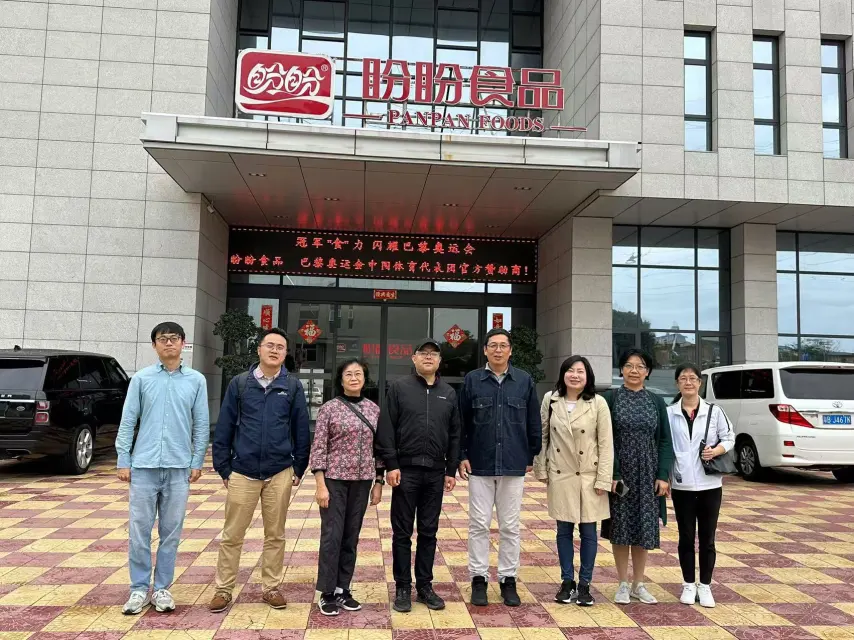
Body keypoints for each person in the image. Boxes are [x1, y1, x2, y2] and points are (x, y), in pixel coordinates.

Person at [210, 328, 310, 613]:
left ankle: (271, 587)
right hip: (242, 471)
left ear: (286, 353)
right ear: (259, 349)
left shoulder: (292, 386)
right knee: (232, 534)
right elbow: (224, 426)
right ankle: (223, 589)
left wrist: (298, 467)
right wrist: (224, 468)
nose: (275, 350)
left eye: (280, 347)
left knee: (275, 534)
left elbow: (301, 429)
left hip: (279, 471)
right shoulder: (240, 383)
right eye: (270, 345)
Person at [115, 322, 209, 615]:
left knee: (171, 532)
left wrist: (197, 460)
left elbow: (201, 423)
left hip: (179, 467)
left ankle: (162, 588)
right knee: (139, 531)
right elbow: (128, 420)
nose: (168, 343)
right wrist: (123, 458)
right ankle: (138, 589)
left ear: (183, 343)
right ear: (154, 345)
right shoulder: (141, 379)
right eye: (162, 339)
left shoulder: (196, 380)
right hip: (144, 467)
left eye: (174, 338)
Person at [375, 339, 462, 613]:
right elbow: (386, 428)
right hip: (406, 471)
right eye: (423, 353)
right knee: (401, 532)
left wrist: (450, 470)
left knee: (429, 531)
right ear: (413, 358)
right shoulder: (399, 388)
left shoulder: (448, 393)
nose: (428, 357)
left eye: (433, 354)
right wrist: (391, 464)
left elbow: (455, 433)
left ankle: (425, 585)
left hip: (435, 472)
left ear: (439, 361)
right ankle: (402, 586)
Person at [458, 328, 541, 607]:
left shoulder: (524, 381)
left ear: (510, 350)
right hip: (479, 463)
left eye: (503, 345)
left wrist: (531, 455)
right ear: (484, 350)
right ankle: (478, 578)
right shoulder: (472, 380)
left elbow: (533, 421)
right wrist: (461, 454)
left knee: (510, 526)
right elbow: (461, 421)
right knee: (478, 524)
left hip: (513, 464)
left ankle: (508, 579)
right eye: (492, 345)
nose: (498, 350)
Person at [533, 356, 613, 607]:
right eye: (570, 370)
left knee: (589, 532)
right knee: (564, 531)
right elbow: (543, 436)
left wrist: (604, 479)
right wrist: (541, 468)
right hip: (561, 473)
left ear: (588, 377)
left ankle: (585, 584)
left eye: (580, 371)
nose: (575, 375)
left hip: (589, 475)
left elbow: (606, 444)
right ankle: (567, 581)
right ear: (563, 374)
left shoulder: (598, 402)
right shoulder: (551, 399)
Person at [309, 359, 384, 616]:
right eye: (348, 374)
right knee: (332, 536)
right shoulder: (329, 408)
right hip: (334, 480)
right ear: (341, 380)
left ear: (365, 378)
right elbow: (319, 448)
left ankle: (343, 589)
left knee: (351, 536)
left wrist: (378, 482)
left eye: (358, 374)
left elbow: (379, 449)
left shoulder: (373, 409)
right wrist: (320, 485)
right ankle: (327, 592)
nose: (354, 378)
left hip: (362, 482)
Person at [601, 348, 674, 606]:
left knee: (644, 529)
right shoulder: (610, 399)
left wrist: (663, 475)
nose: (634, 370)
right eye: (629, 365)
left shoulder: (656, 402)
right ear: (621, 370)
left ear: (648, 372)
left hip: (648, 475)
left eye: (640, 366)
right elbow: (605, 439)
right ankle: (622, 583)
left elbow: (665, 441)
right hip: (620, 474)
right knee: (620, 529)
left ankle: (638, 584)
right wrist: (612, 473)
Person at [667, 364, 734, 609]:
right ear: (677, 383)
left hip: (710, 484)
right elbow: (665, 445)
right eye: (683, 378)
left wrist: (716, 450)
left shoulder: (714, 411)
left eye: (692, 378)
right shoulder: (669, 413)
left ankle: (705, 585)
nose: (688, 382)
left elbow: (730, 437)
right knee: (685, 537)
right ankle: (688, 583)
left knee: (707, 537)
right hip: (682, 485)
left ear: (699, 383)